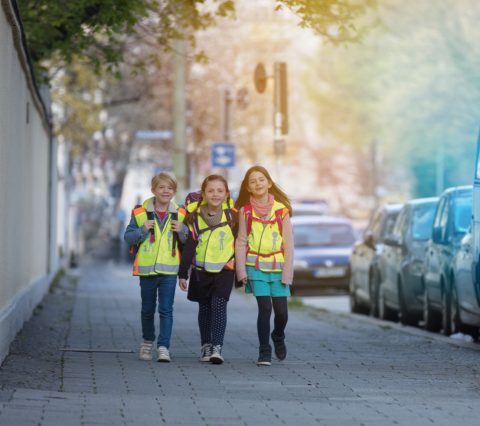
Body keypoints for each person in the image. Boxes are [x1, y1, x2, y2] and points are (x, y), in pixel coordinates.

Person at [124, 172, 188, 362]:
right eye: (161, 187)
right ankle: (147, 342)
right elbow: (128, 237)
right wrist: (143, 230)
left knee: (166, 310)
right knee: (147, 309)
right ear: (153, 190)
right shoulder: (140, 213)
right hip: (147, 270)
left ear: (174, 192)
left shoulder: (181, 213)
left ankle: (163, 347)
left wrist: (183, 230)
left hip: (169, 270)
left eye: (169, 188)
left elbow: (189, 241)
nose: (165, 191)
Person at [234, 165, 293, 366]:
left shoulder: (281, 211)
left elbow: (289, 245)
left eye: (261, 179)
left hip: (278, 268)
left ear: (268, 183)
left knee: (282, 313)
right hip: (256, 267)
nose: (257, 183)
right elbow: (241, 242)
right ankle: (264, 351)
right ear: (248, 188)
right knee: (265, 308)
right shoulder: (245, 212)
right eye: (252, 181)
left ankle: (278, 336)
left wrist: (288, 274)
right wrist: (241, 271)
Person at [178, 175, 237, 365]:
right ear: (203, 194)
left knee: (219, 307)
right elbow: (189, 246)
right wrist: (182, 272)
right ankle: (205, 344)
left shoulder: (233, 216)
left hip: (225, 270)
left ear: (226, 194)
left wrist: (243, 271)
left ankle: (217, 348)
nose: (215, 194)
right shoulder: (194, 218)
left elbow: (241, 243)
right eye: (211, 191)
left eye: (220, 191)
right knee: (204, 308)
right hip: (201, 271)